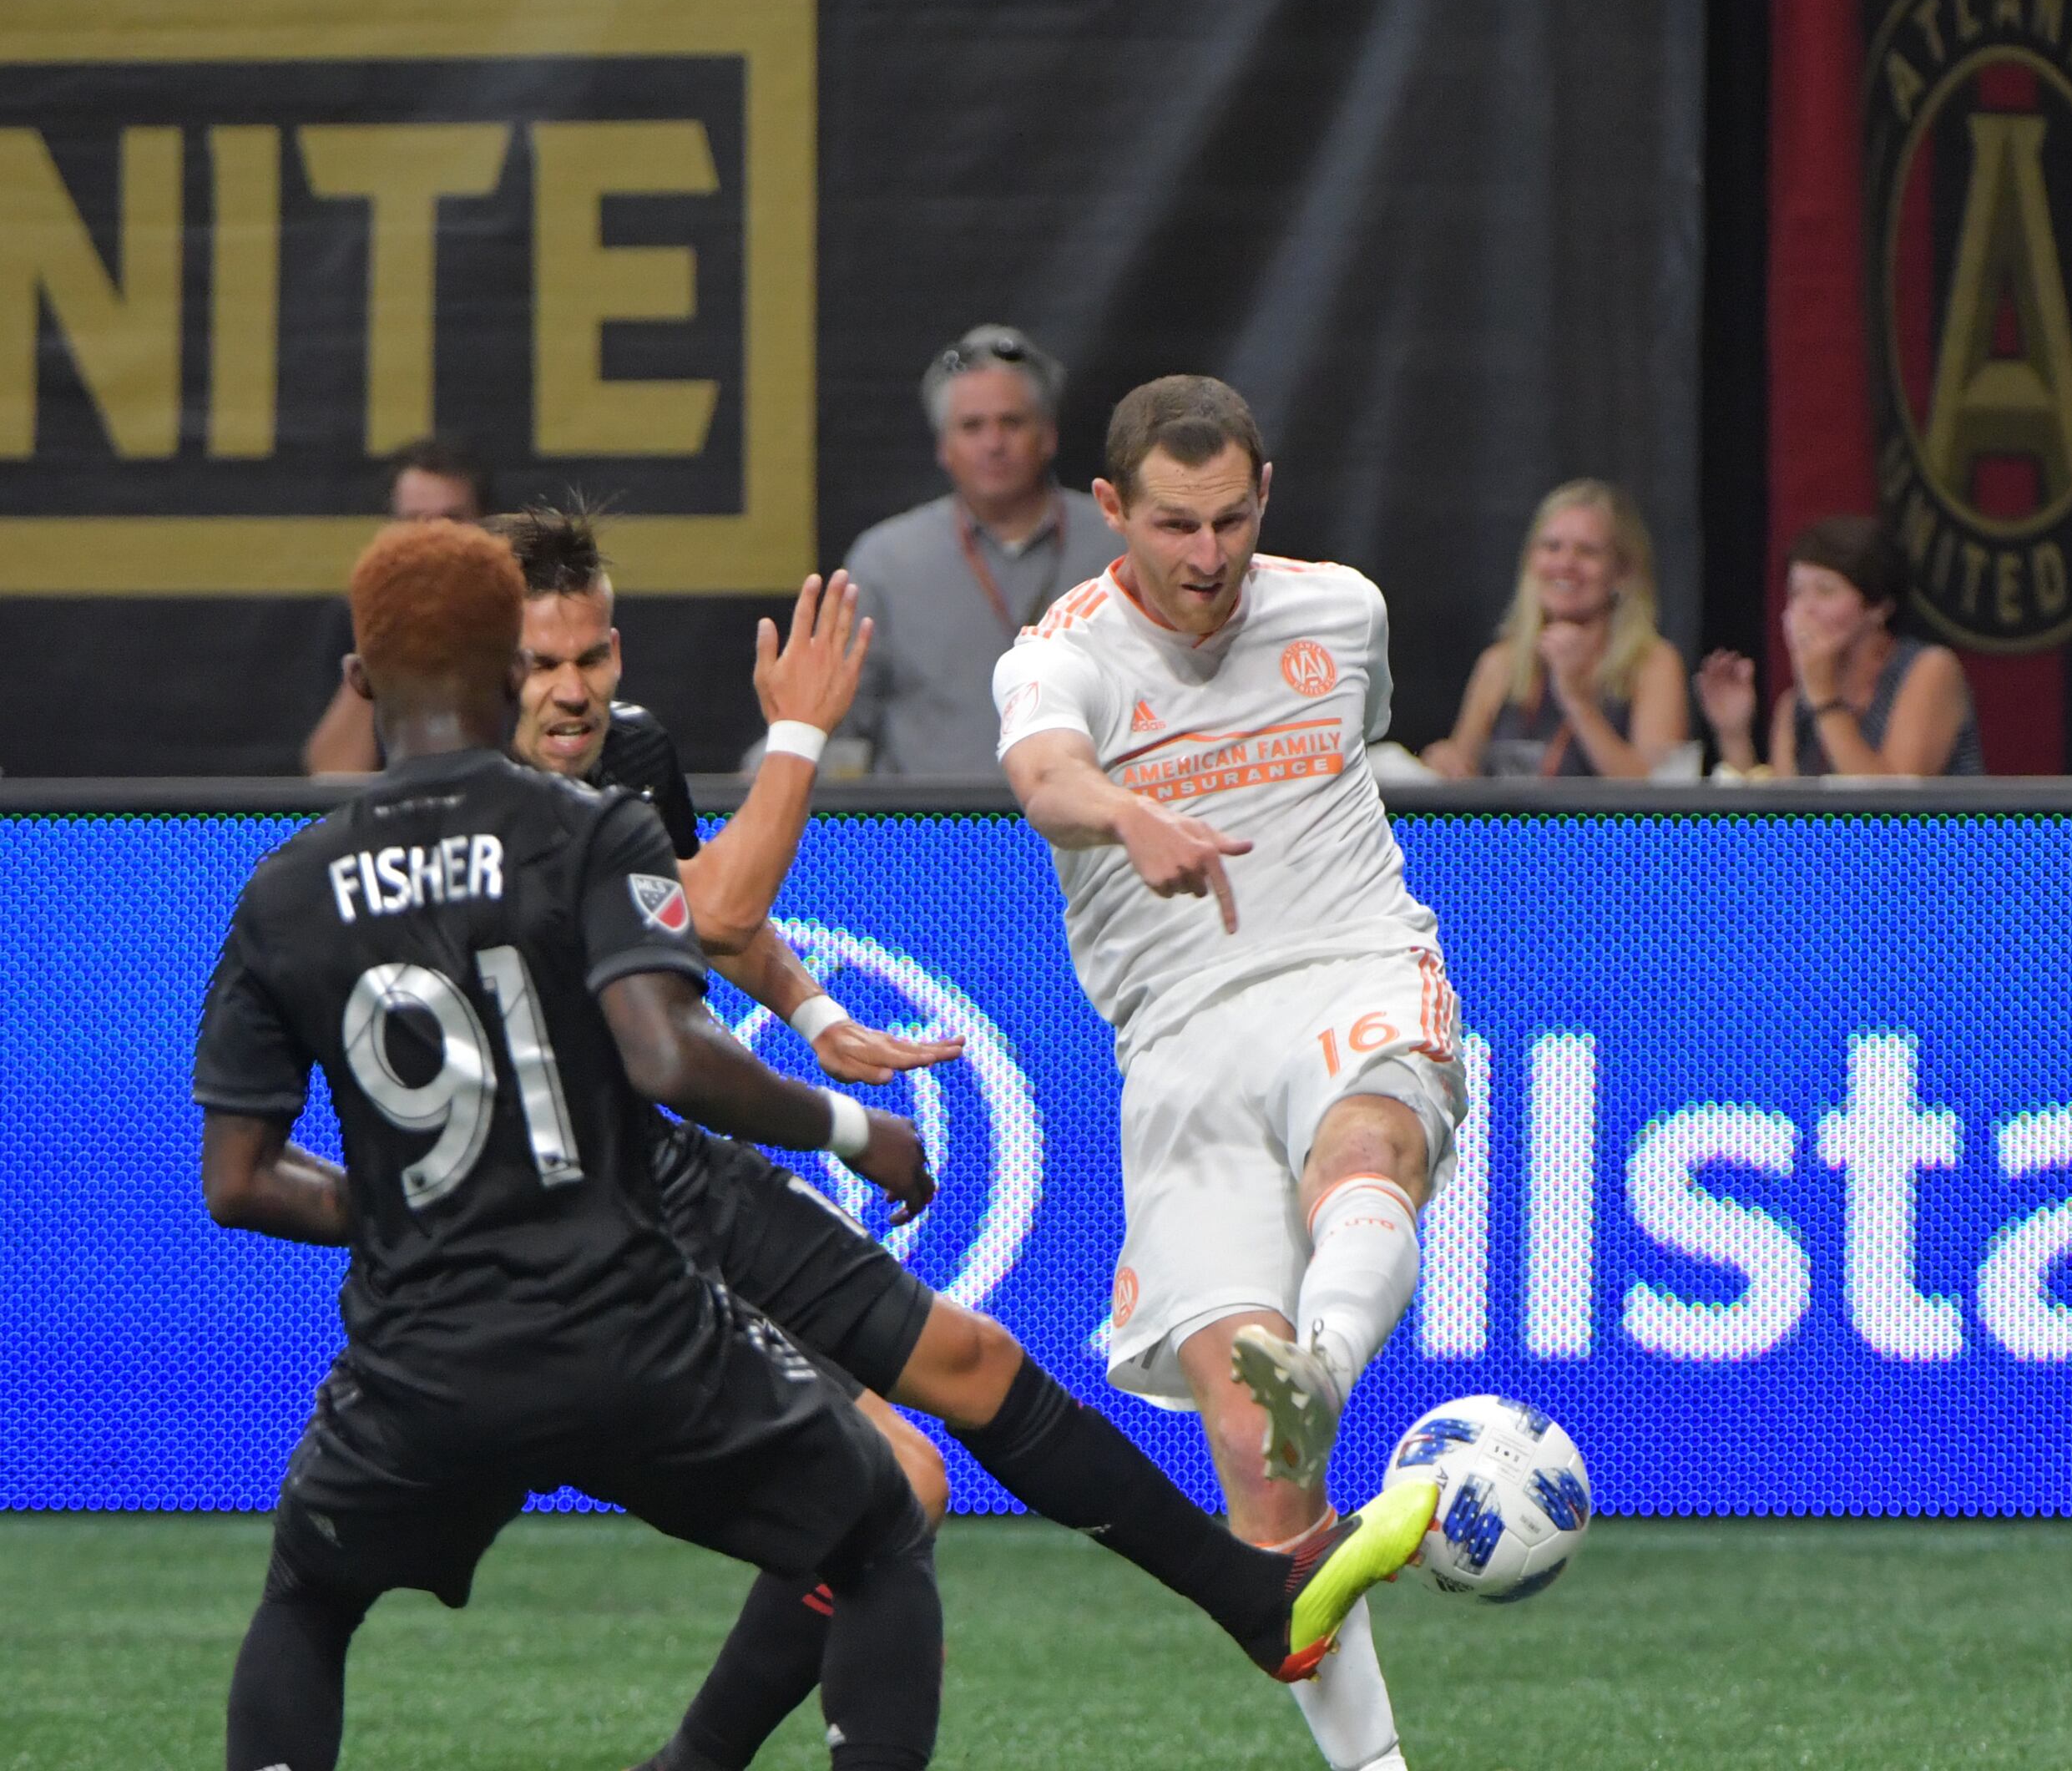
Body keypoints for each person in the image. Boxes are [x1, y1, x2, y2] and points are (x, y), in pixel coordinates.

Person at [455, 508, 1438, 1771]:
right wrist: (801, 733)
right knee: (895, 1485)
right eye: (542, 665)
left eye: (593, 656)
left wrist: (815, 1015)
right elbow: (725, 898)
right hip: (553, 1223)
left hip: (665, 1171)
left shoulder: (626, 751)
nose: (574, 689)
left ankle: (1258, 1600)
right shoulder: (470, 805)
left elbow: (702, 914)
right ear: (489, 666)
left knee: (967, 1372)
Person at [193, 519, 948, 1771]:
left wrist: (407, 1207)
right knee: (875, 1530)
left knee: (310, 1603)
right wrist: (853, 1125)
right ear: (510, 670)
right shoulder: (588, 830)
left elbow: (237, 1181)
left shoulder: (283, 893)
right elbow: (665, 1052)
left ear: (360, 681)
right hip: (629, 1333)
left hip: (424, 1360)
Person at [996, 374, 1465, 1771]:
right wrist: (1124, 810)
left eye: (1231, 520)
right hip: (1179, 1038)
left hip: (1351, 965)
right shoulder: (1060, 652)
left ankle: (1327, 1353)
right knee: (1262, 1475)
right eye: (1174, 526)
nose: (1206, 558)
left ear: (1267, 490)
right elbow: (1041, 776)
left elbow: (1364, 727)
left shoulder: (1342, 608)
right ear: (1110, 511)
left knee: (1366, 1151)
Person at [833, 324, 1124, 776]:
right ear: (943, 448)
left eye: (1012, 422)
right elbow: (838, 719)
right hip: (932, 836)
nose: (993, 444)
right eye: (972, 426)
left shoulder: (1118, 542)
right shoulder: (888, 560)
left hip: (1095, 829)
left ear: (1048, 436)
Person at [1421, 478, 1690, 778]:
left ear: (1622, 572)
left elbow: (1656, 797)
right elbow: (1462, 776)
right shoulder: (1499, 664)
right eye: (1551, 547)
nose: (1565, 563)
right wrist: (1443, 763)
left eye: (1587, 551)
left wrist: (1577, 700)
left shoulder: (1653, 664)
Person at [1696, 514, 1983, 777]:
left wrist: (1824, 698)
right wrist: (1734, 734)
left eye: (1825, 591)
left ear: (1878, 607)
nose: (1805, 609)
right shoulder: (1795, 707)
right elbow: (1778, 823)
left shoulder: (1928, 669)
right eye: (1796, 592)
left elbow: (1890, 811)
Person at [301, 436, 498, 775]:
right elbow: (333, 777)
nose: (435, 537)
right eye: (416, 522)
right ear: (391, 532)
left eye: (453, 519)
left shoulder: (525, 614)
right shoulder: (354, 620)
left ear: (486, 526)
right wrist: (384, 635)